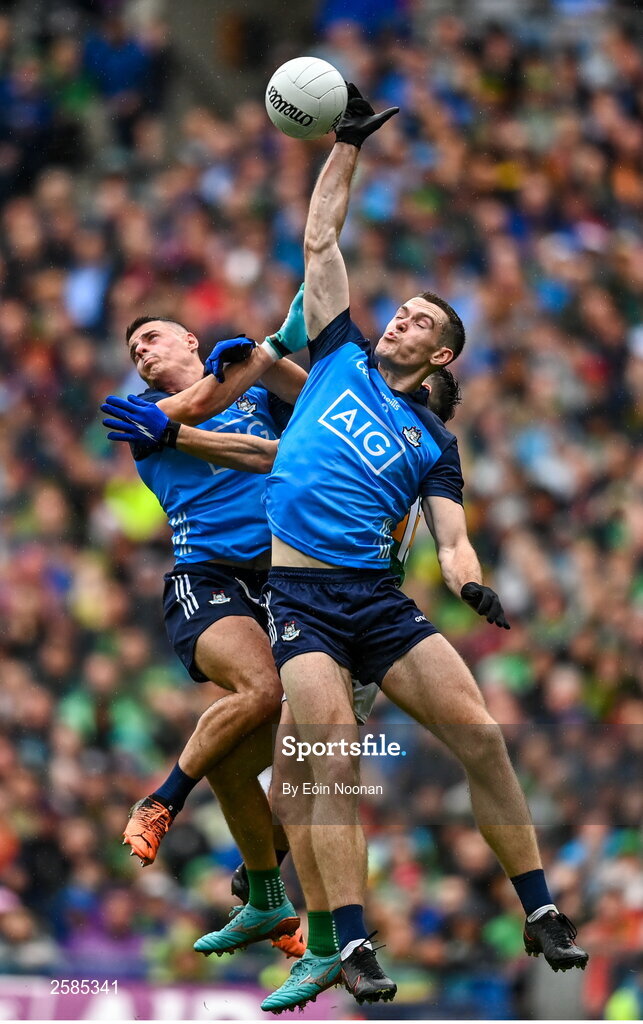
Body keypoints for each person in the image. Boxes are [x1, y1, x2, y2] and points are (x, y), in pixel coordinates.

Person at [226, 84, 588, 1011]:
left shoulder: (435, 444)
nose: (401, 320)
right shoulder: (339, 351)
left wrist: (472, 588)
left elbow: (452, 538)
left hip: (379, 605)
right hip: (301, 600)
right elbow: (320, 242)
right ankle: (348, 939)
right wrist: (344, 144)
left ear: (442, 356)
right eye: (402, 311)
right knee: (331, 755)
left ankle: (540, 908)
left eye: (422, 321)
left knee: (482, 734)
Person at [102, 291, 311, 958]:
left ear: (191, 339)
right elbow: (198, 416)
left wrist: (262, 352)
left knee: (300, 746)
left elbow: (306, 416)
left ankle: (264, 891)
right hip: (208, 577)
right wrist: (256, 359)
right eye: (135, 349)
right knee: (260, 690)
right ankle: (161, 800)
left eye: (154, 337)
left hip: (284, 576)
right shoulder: (142, 413)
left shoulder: (245, 387)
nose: (142, 350)